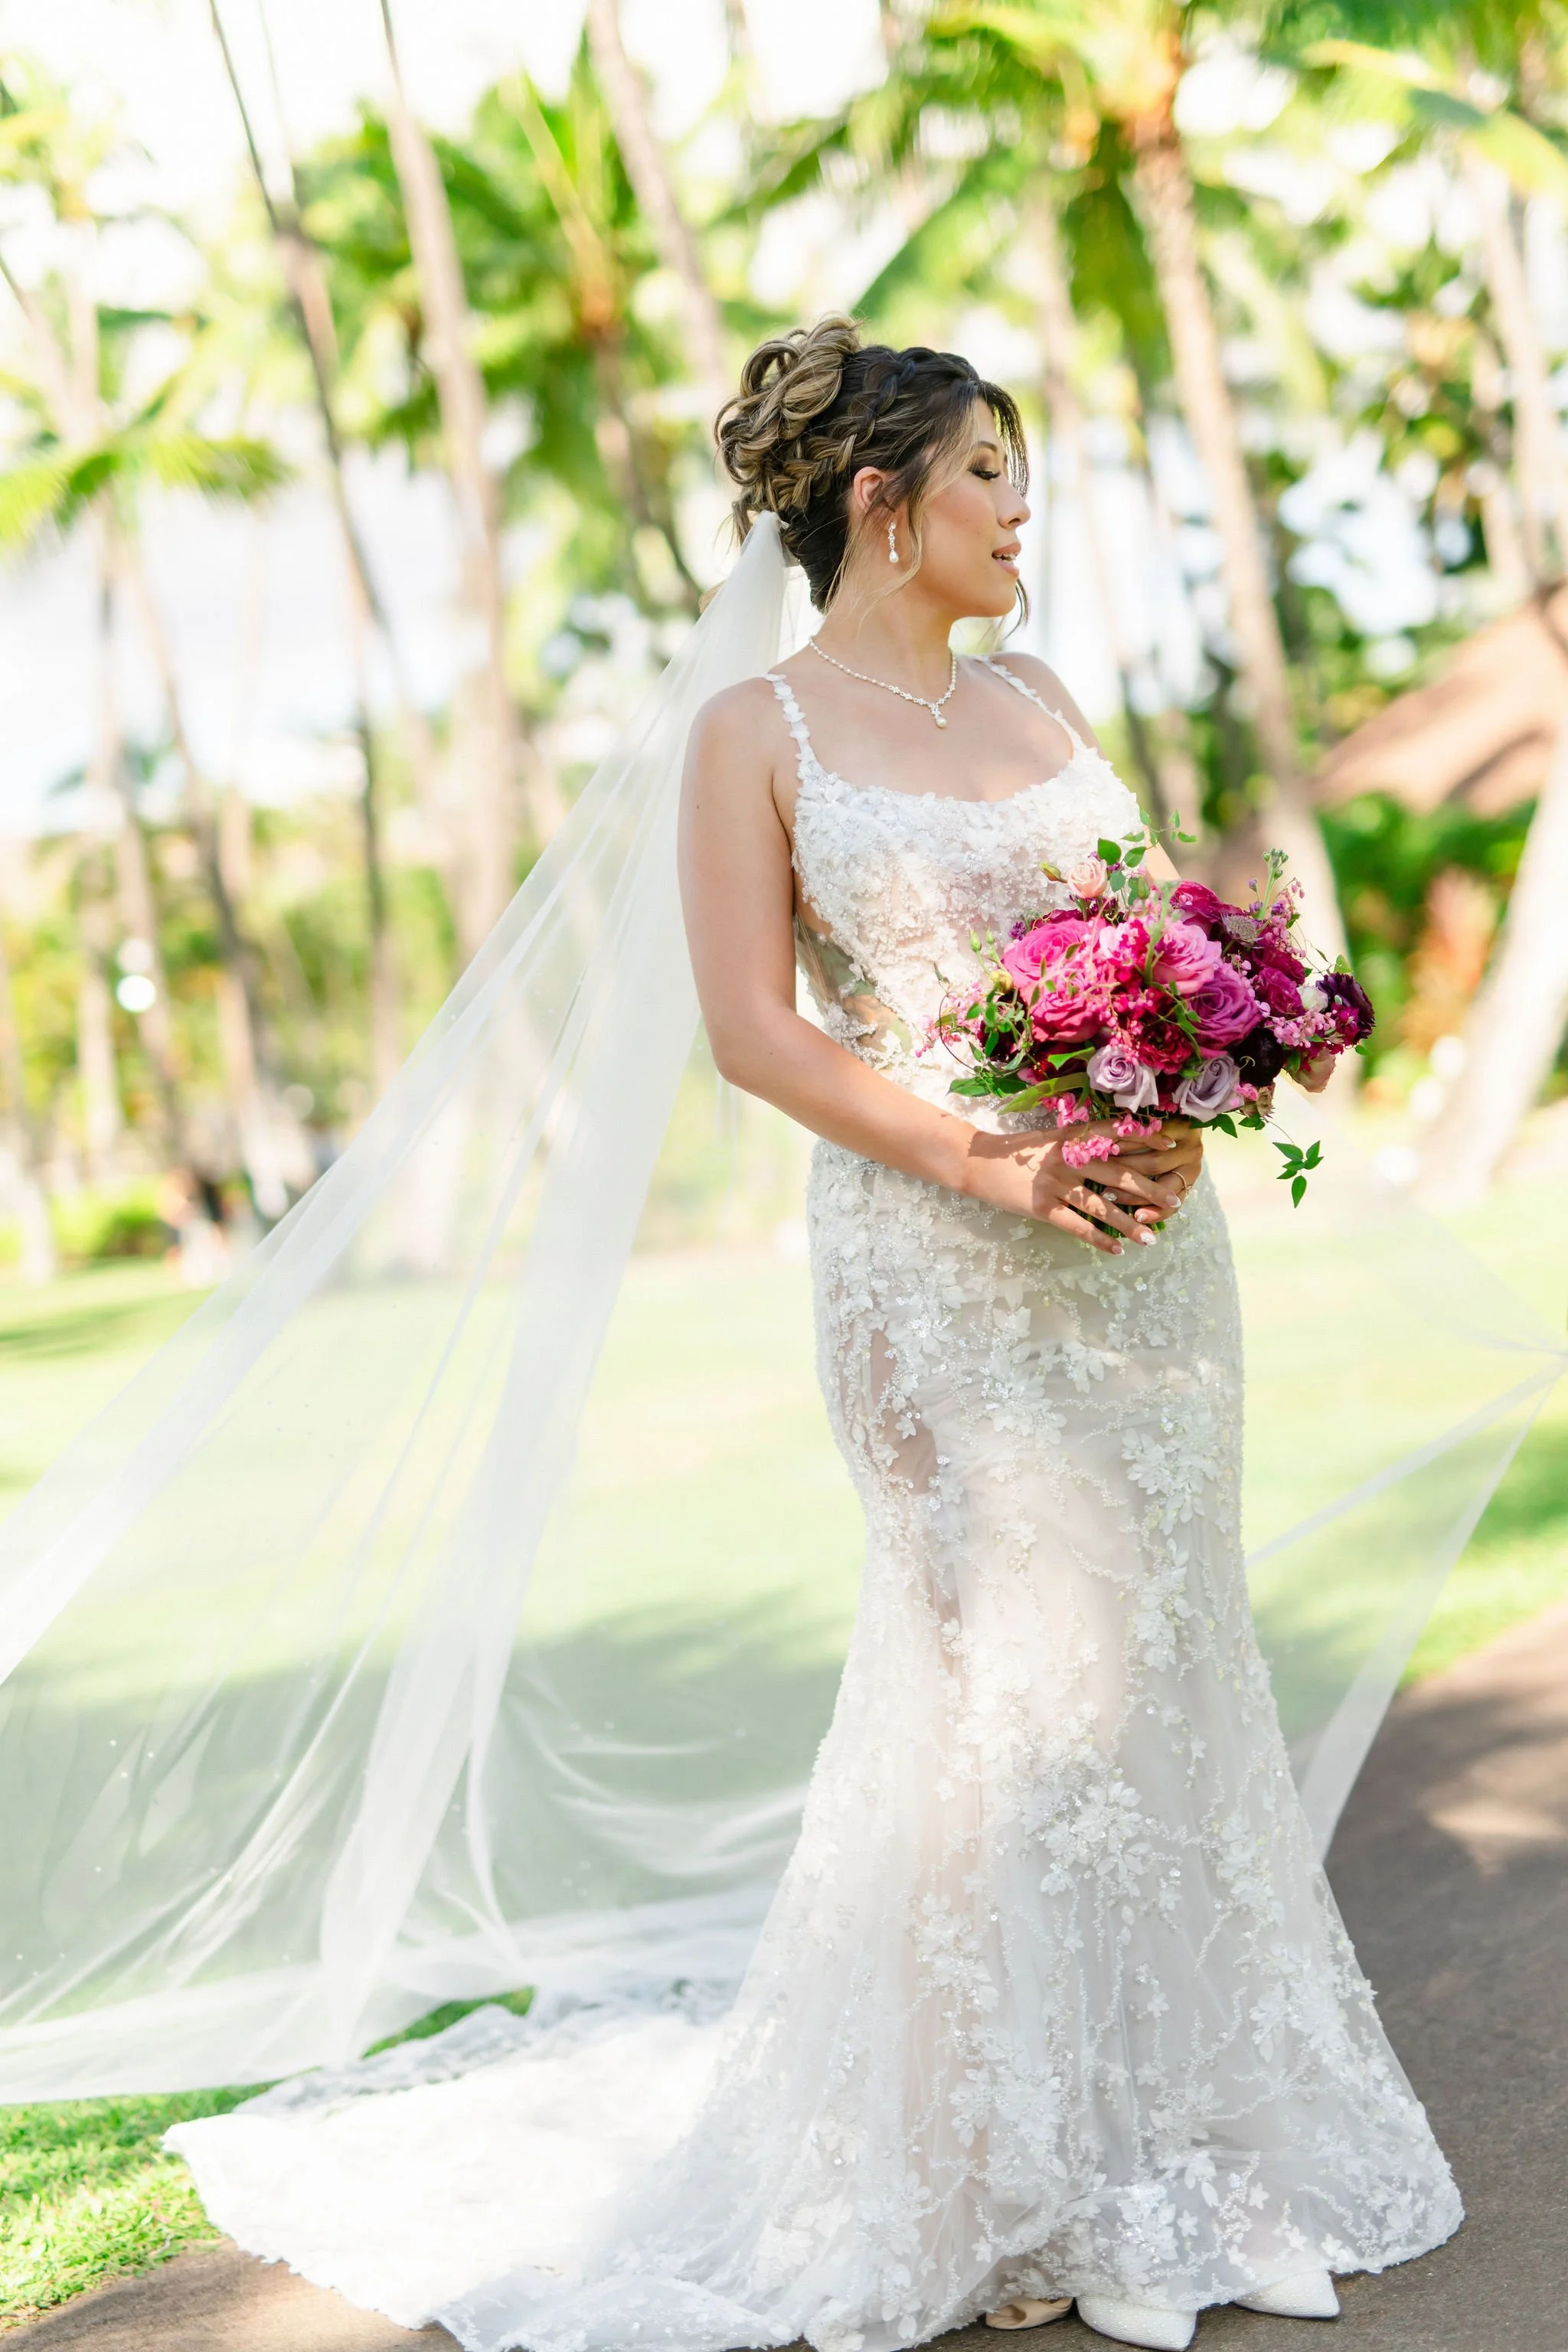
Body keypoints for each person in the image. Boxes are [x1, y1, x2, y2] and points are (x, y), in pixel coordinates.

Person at [171, 322, 1462, 2352]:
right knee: (1004, 1717)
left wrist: (1188, 1106)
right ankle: (1030, 2196)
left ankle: (1189, 2154)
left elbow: (1145, 936)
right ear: (882, 504)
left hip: (1138, 1258)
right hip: (933, 1257)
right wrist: (995, 1167)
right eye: (988, 475)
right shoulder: (753, 734)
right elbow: (755, 1034)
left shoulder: (1035, 690)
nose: (1021, 509)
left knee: (1161, 1680)